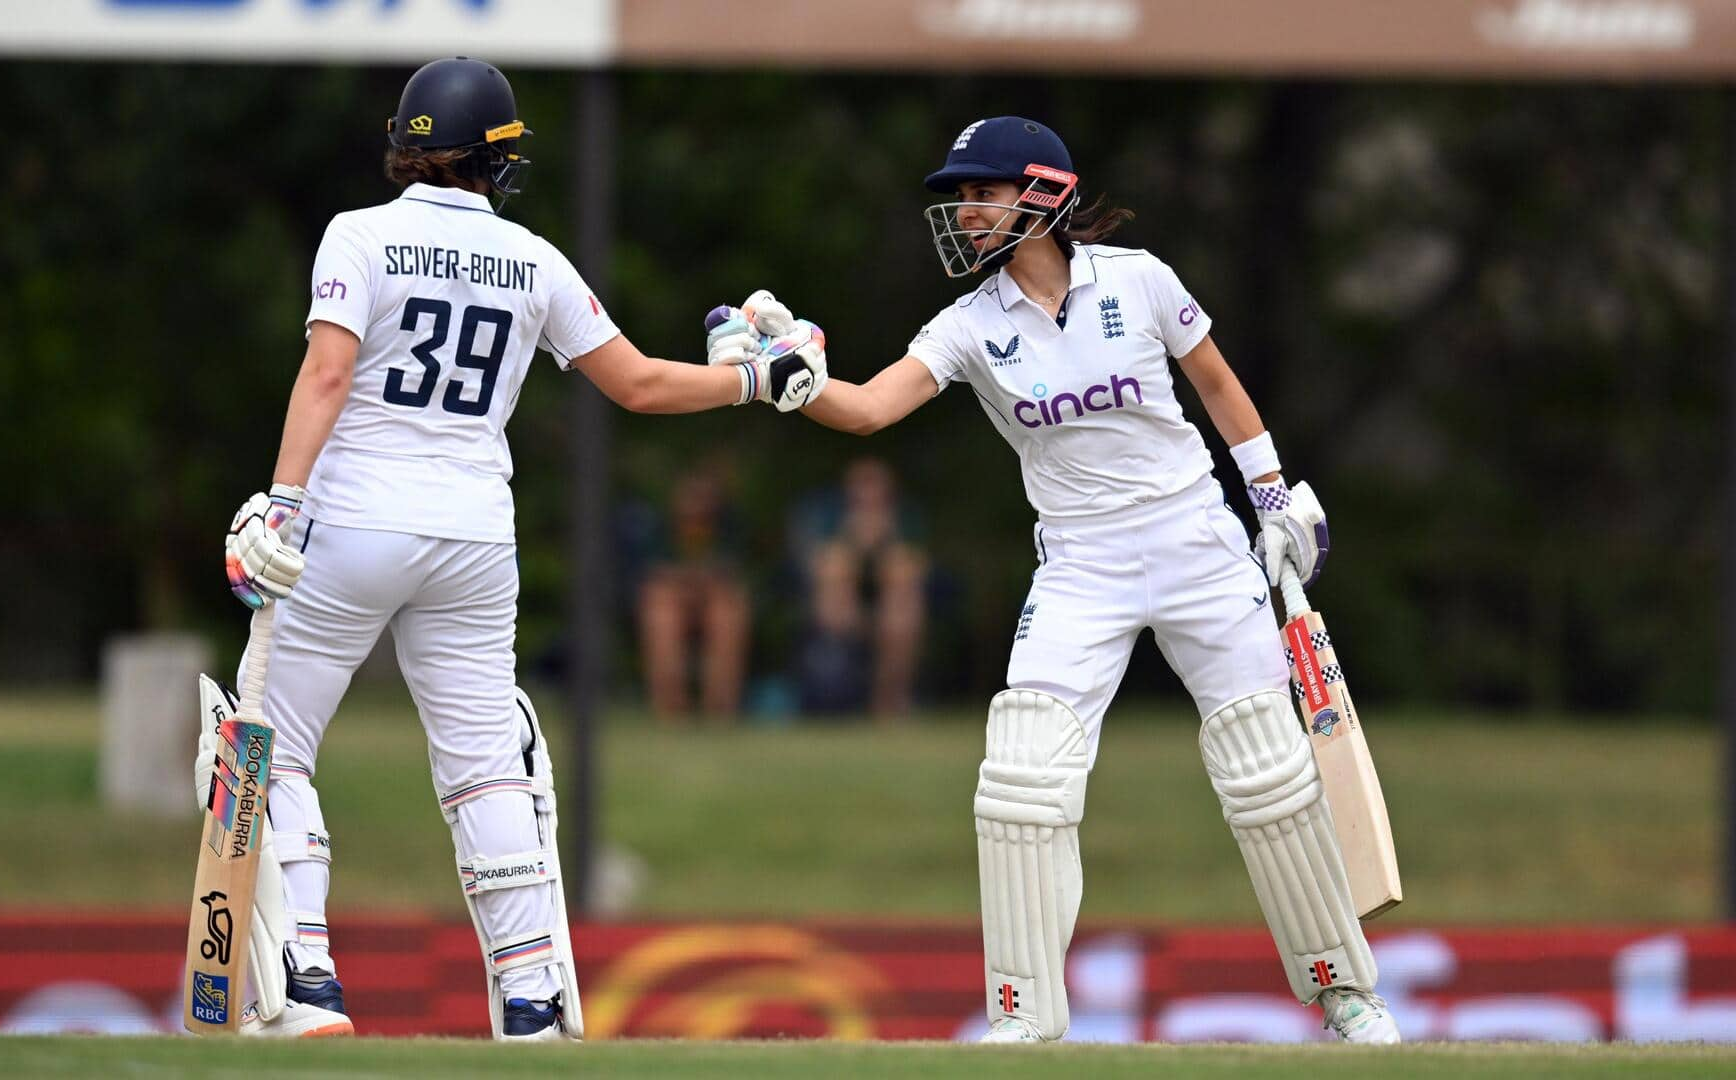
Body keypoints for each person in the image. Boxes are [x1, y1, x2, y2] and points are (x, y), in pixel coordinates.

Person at [732, 116, 1399, 1043]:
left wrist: (1274, 497)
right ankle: (1023, 1013)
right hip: (1082, 561)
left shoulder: (1140, 278)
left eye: (980, 192)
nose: (964, 213)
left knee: (1267, 768)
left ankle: (1345, 994)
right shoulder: (969, 326)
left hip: (1197, 540)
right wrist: (786, 379)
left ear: (1040, 194)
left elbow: (1214, 380)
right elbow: (872, 407)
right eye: (958, 198)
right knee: (1021, 776)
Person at [208, 57, 825, 1041]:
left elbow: (328, 375)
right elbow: (641, 386)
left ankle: (310, 978)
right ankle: (532, 994)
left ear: (406, 147)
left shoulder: (359, 236)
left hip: (355, 523)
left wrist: (281, 503)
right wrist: (758, 380)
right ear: (494, 161)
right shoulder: (533, 260)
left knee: (272, 747)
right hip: (474, 539)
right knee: (486, 768)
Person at [792, 457, 927, 718]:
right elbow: (817, 565)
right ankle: (837, 694)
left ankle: (887, 702)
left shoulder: (904, 520)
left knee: (901, 602)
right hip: (838, 608)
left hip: (890, 609)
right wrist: (852, 540)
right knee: (835, 571)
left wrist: (884, 542)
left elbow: (914, 568)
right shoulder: (829, 517)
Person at [633, 463, 752, 720]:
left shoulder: (728, 527)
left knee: (726, 614)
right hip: (672, 601)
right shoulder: (659, 528)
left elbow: (733, 574)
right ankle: (672, 709)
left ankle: (719, 709)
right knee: (661, 614)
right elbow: (652, 575)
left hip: (714, 601)